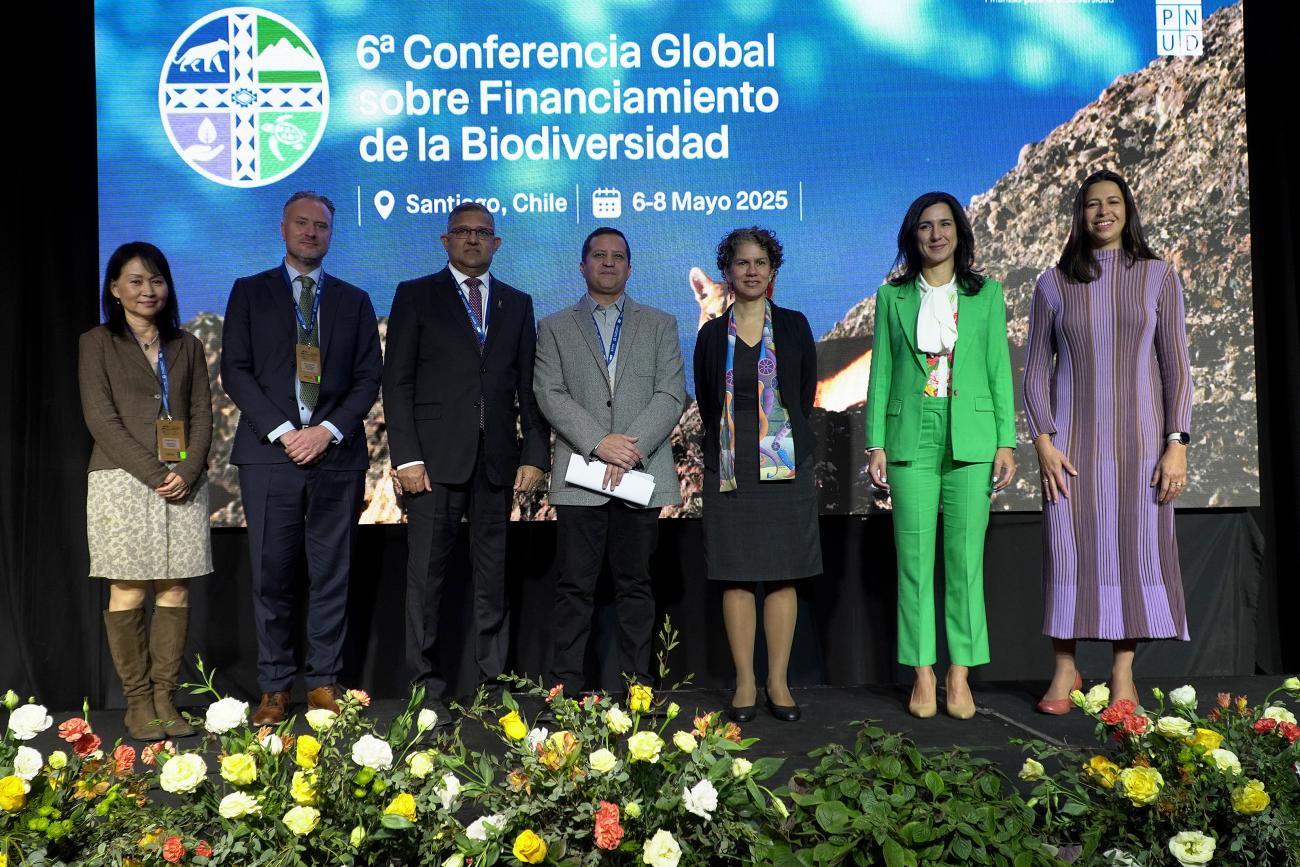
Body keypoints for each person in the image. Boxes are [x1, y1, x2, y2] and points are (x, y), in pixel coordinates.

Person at [1024, 169, 1192, 714]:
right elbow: (1034, 372)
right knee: (1069, 554)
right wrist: (1044, 442)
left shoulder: (1160, 277)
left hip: (1143, 449)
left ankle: (1123, 675)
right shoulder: (1053, 283)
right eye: (1092, 204)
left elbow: (1177, 368)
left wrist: (1177, 442)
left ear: (1127, 209)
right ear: (1080, 214)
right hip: (1071, 451)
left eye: (1112, 202)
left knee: (1137, 554)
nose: (1103, 212)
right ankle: (1065, 667)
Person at [221, 191, 383, 725]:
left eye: (322, 226)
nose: (312, 233)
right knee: (272, 573)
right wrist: (288, 431)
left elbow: (367, 379)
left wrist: (328, 431)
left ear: (332, 234)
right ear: (284, 228)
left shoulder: (355, 300)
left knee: (331, 574)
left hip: (336, 455)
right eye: (302, 223)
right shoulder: (250, 292)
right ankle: (273, 687)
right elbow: (236, 373)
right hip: (272, 456)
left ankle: (322, 683)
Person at [384, 203, 550, 723]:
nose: (473, 240)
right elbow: (398, 383)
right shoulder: (416, 295)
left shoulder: (517, 304)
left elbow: (527, 387)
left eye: (483, 233)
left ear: (497, 243)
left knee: (492, 577)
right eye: (463, 232)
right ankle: (423, 691)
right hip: (431, 463)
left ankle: (493, 685)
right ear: (445, 240)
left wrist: (534, 454)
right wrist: (406, 457)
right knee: (426, 581)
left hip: (497, 462)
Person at [865, 192, 1017, 720]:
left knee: (964, 564)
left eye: (945, 224)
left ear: (959, 232)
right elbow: (881, 373)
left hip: (971, 436)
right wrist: (876, 442)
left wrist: (1005, 440)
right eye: (926, 226)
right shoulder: (893, 297)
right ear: (913, 236)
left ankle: (960, 675)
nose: (936, 234)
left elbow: (999, 368)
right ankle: (923, 673)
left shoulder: (986, 294)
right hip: (911, 436)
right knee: (912, 564)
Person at [534, 227, 686, 694]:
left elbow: (671, 393)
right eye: (598, 256)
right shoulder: (555, 326)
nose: (608, 263)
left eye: (617, 256)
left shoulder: (660, 323)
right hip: (582, 476)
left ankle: (639, 686)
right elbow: (549, 392)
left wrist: (628, 448)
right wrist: (600, 442)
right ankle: (565, 690)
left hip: (639, 474)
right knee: (574, 589)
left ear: (629, 267)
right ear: (582, 266)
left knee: (636, 586)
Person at [80, 241, 213, 741]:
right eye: (135, 281)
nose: (147, 290)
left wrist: (189, 467)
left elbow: (201, 414)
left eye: (156, 280)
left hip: (184, 479)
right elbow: (101, 419)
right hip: (121, 479)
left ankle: (165, 699)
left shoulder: (188, 345)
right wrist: (155, 472)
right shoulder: (96, 343)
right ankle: (137, 703)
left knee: (176, 585)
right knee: (129, 586)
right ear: (114, 289)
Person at [694, 227, 821, 723]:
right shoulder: (710, 334)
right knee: (736, 576)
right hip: (729, 465)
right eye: (742, 263)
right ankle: (746, 682)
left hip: (784, 462)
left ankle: (778, 682)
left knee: (784, 575)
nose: (751, 270)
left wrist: (777, 442)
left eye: (761, 263)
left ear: (772, 271)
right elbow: (708, 402)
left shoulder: (793, 325)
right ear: (727, 271)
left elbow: (803, 392)